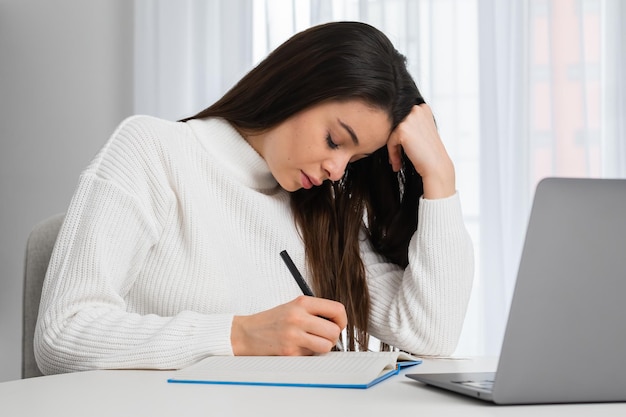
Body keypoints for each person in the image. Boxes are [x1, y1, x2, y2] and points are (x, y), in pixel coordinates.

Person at [34, 21, 474, 374]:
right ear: (298, 87)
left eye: (355, 160)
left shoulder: (321, 210)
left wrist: (440, 176)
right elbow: (63, 336)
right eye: (335, 140)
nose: (337, 171)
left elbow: (428, 334)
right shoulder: (153, 151)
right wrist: (239, 336)